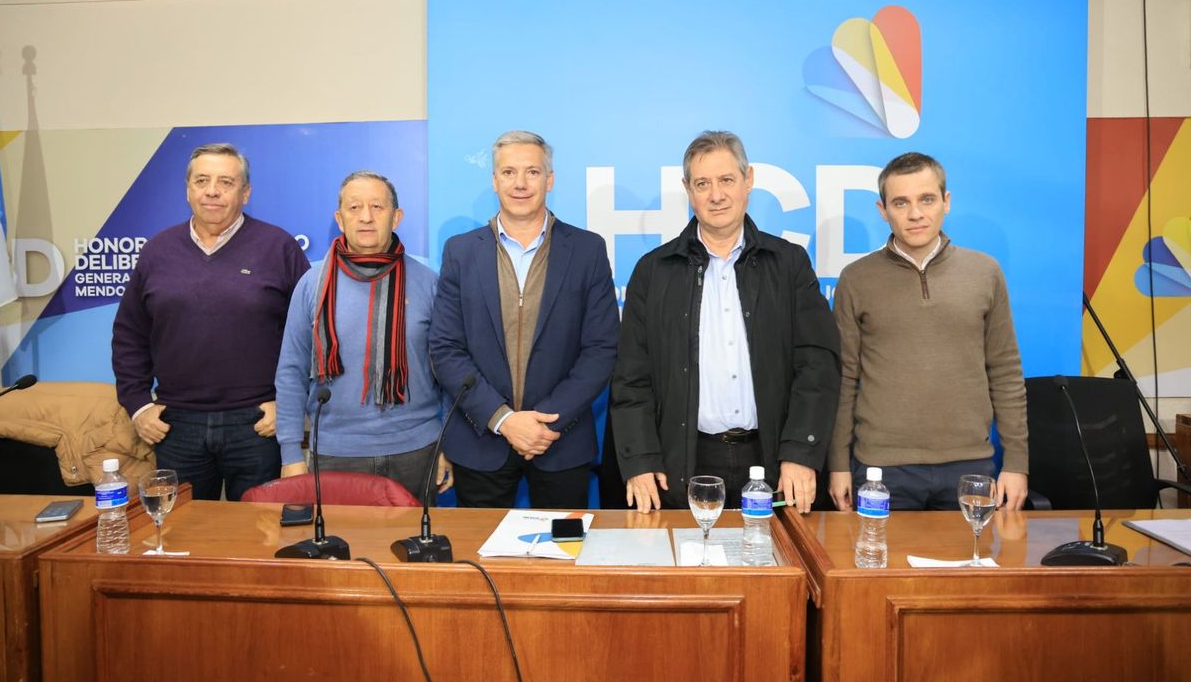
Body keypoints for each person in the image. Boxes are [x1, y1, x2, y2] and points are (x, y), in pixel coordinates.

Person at [611, 130, 841, 514]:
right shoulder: (654, 271)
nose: (716, 195)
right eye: (702, 184)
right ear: (688, 189)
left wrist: (802, 451)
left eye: (726, 180)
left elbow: (817, 364)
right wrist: (640, 460)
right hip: (683, 463)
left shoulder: (788, 263)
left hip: (773, 461)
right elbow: (632, 377)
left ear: (748, 180)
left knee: (776, 570)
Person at [827, 152, 1028, 512]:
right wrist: (838, 464)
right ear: (882, 210)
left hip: (969, 466)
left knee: (966, 567)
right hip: (881, 470)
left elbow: (1006, 372)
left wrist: (1016, 463)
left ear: (946, 202)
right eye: (901, 202)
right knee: (880, 568)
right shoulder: (856, 279)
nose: (915, 213)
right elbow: (843, 379)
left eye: (927, 199)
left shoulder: (985, 272)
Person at [429, 130, 618, 508]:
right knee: (482, 562)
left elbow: (601, 348)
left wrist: (544, 423)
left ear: (549, 180)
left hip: (561, 443)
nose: (520, 183)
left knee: (565, 558)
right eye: (509, 172)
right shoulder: (461, 252)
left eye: (532, 172)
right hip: (481, 441)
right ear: (495, 180)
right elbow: (445, 348)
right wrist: (503, 419)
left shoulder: (587, 249)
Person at [112, 143, 309, 500]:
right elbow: (130, 335)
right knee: (181, 536)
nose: (212, 191)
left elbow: (311, 335)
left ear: (245, 193)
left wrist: (290, 404)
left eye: (226, 182)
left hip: (259, 423)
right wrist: (138, 404)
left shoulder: (279, 247)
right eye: (202, 180)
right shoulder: (157, 251)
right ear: (188, 190)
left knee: (260, 537)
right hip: (175, 424)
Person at [275, 171, 451, 503]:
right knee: (341, 552)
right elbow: (290, 372)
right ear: (340, 219)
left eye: (377, 207)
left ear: (396, 217)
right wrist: (290, 455)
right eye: (354, 208)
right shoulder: (312, 285)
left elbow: (447, 369)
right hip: (334, 454)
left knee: (414, 551)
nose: (366, 217)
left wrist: (446, 445)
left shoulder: (429, 283)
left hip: (417, 451)